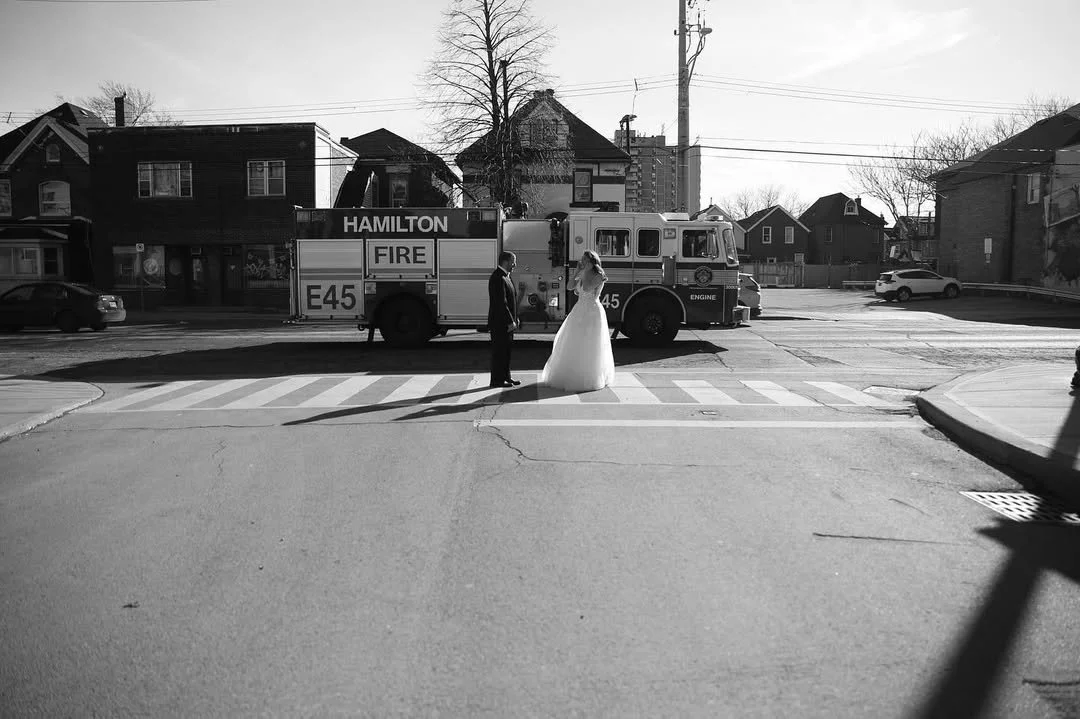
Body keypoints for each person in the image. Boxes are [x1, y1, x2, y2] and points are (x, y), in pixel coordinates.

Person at [540, 250, 616, 392]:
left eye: (586, 260)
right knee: (574, 340)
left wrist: (583, 273)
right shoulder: (582, 273)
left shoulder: (599, 275)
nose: (583, 262)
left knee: (590, 343)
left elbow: (587, 288)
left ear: (592, 262)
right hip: (579, 309)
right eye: (582, 260)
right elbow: (569, 287)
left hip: (593, 311)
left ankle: (590, 377)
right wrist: (576, 273)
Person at [487, 251, 520, 388]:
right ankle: (496, 380)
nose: (515, 265)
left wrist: (515, 318)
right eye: (513, 261)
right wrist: (509, 321)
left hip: (507, 323)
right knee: (499, 352)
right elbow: (501, 303)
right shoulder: (497, 277)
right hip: (500, 323)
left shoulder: (506, 276)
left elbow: (511, 301)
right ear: (506, 262)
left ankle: (506, 377)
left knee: (506, 352)